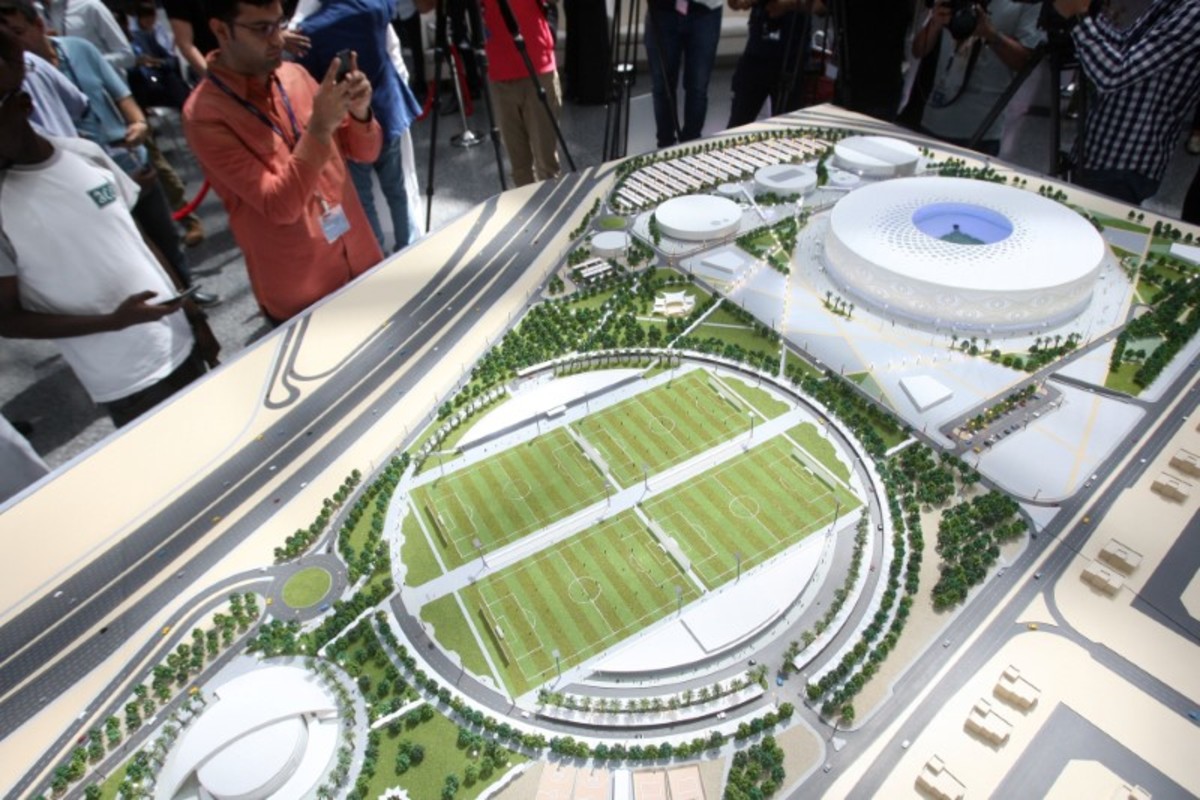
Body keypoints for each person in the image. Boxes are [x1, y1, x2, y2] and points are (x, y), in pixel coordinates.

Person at [0, 28, 218, 428]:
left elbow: (139, 240)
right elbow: (6, 318)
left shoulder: (86, 155)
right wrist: (114, 322)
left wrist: (195, 317)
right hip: (127, 381)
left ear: (23, 105)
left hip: (181, 342)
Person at [183, 0, 384, 324]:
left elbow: (365, 152)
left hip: (363, 262)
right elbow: (280, 205)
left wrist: (360, 112)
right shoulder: (205, 116)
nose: (278, 38)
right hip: (305, 297)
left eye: (279, 23)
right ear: (221, 30)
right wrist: (318, 129)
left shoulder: (295, 75)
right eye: (262, 28)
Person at [0, 0, 214, 299]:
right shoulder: (18, 81)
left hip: (122, 157)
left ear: (38, 25)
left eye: (17, 32)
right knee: (124, 245)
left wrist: (138, 124)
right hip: (78, 180)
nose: (13, 43)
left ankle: (187, 296)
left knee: (160, 236)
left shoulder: (71, 50)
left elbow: (114, 94)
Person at [294, 0, 424, 251]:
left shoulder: (310, 31)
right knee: (396, 188)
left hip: (346, 126)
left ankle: (377, 252)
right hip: (386, 109)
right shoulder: (373, 8)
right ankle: (407, 245)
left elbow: (309, 77)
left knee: (363, 198)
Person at [1050, 0, 1200, 204]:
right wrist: (1088, 10)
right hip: (1099, 148)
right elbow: (1123, 46)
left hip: (1123, 161)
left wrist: (1078, 18)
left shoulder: (1195, 12)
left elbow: (1114, 74)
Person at [911, 0, 1041, 155]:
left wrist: (990, 34)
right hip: (934, 120)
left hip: (982, 129)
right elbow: (918, 50)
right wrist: (935, 23)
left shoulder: (1025, 4)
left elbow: (1025, 63)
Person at [480, 0, 562, 186]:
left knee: (547, 164)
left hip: (538, 66)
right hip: (499, 73)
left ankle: (553, 204)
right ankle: (527, 205)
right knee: (519, 169)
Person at [644, 0, 722, 148]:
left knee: (697, 86)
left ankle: (690, 147)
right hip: (662, 10)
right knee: (662, 86)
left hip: (705, 10)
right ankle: (665, 147)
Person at [725, 0, 809, 127]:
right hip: (757, 53)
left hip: (792, 56)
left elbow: (822, 6)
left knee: (787, 129)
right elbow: (735, 4)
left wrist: (787, 4)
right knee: (738, 125)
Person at [39, 0, 134, 70]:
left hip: (106, 88)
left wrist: (88, 63)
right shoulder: (37, 14)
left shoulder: (90, 6)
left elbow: (127, 56)